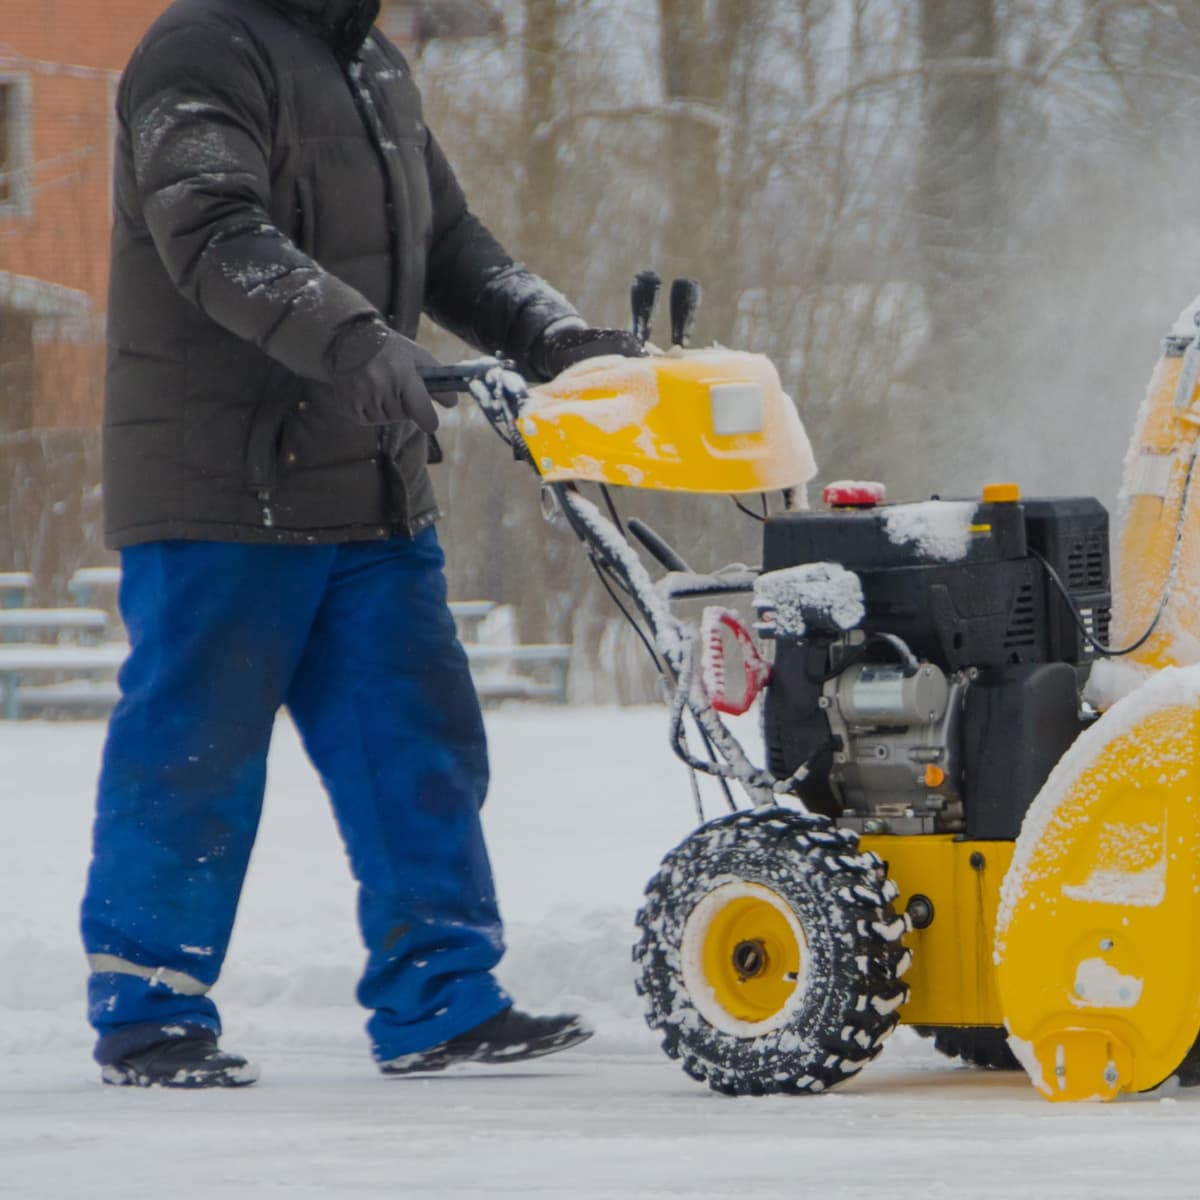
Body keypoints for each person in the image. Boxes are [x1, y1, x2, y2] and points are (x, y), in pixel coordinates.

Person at [80, 0, 641, 1088]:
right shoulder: (200, 48)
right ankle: (150, 1014)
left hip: (371, 483)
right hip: (221, 486)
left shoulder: (371, 62)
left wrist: (552, 334)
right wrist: (354, 338)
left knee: (419, 746)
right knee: (194, 755)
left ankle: (442, 1000)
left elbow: (446, 241)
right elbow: (210, 228)